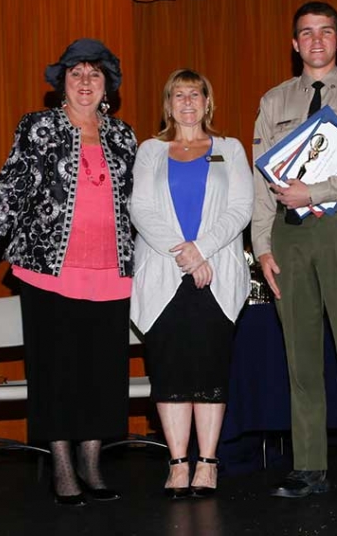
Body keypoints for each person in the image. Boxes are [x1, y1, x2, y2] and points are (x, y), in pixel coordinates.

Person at [0, 39, 138, 506]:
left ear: (107, 87)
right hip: (48, 272)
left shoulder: (124, 136)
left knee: (102, 374)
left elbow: (144, 206)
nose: (84, 82)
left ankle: (92, 467)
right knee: (56, 372)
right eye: (75, 74)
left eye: (93, 74)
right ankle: (62, 469)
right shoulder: (38, 128)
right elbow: (8, 194)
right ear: (62, 84)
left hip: (113, 274)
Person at [253, 1, 337, 499]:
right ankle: (308, 464)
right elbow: (259, 179)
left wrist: (317, 190)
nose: (315, 41)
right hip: (288, 236)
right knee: (300, 355)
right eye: (306, 33)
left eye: (325, 32)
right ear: (294, 44)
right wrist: (262, 246)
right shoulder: (273, 101)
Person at [130, 69, 253, 499]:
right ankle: (178, 462)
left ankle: (208, 462)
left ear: (207, 102)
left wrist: (201, 251)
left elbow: (241, 208)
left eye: (194, 94)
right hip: (164, 275)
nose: (187, 102)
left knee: (209, 370)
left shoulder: (230, 149)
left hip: (215, 275)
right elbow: (140, 207)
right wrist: (182, 253)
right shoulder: (150, 150)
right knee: (170, 372)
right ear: (168, 104)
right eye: (178, 95)